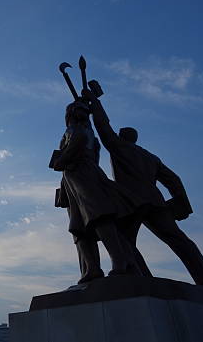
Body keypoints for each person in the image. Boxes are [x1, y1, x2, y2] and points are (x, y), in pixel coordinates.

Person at [83, 88, 203, 288]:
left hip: (131, 202)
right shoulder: (151, 157)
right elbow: (174, 179)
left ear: (122, 136)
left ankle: (140, 279)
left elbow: (103, 125)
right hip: (156, 201)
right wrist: (181, 203)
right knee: (179, 239)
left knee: (121, 240)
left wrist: (95, 103)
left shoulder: (119, 147)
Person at [52, 101, 139, 283]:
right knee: (78, 227)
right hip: (74, 179)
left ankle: (119, 261)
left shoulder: (77, 132)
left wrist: (60, 162)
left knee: (99, 217)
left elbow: (74, 147)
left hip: (82, 175)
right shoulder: (87, 135)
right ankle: (92, 268)